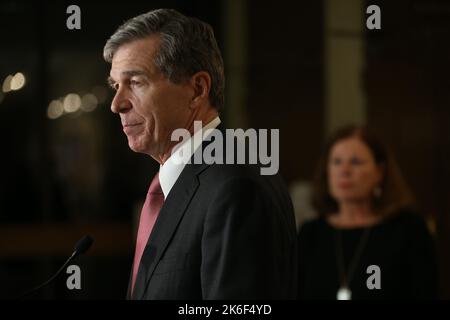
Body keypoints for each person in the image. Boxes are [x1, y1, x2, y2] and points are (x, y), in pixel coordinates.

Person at [103, 9, 297, 299]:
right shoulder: (180, 184)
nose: (116, 104)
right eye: (116, 86)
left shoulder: (234, 186)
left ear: (197, 89)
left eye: (136, 82)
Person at [297, 125, 438, 299]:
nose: (344, 171)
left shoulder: (409, 230)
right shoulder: (310, 233)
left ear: (380, 172)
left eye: (356, 162)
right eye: (336, 162)